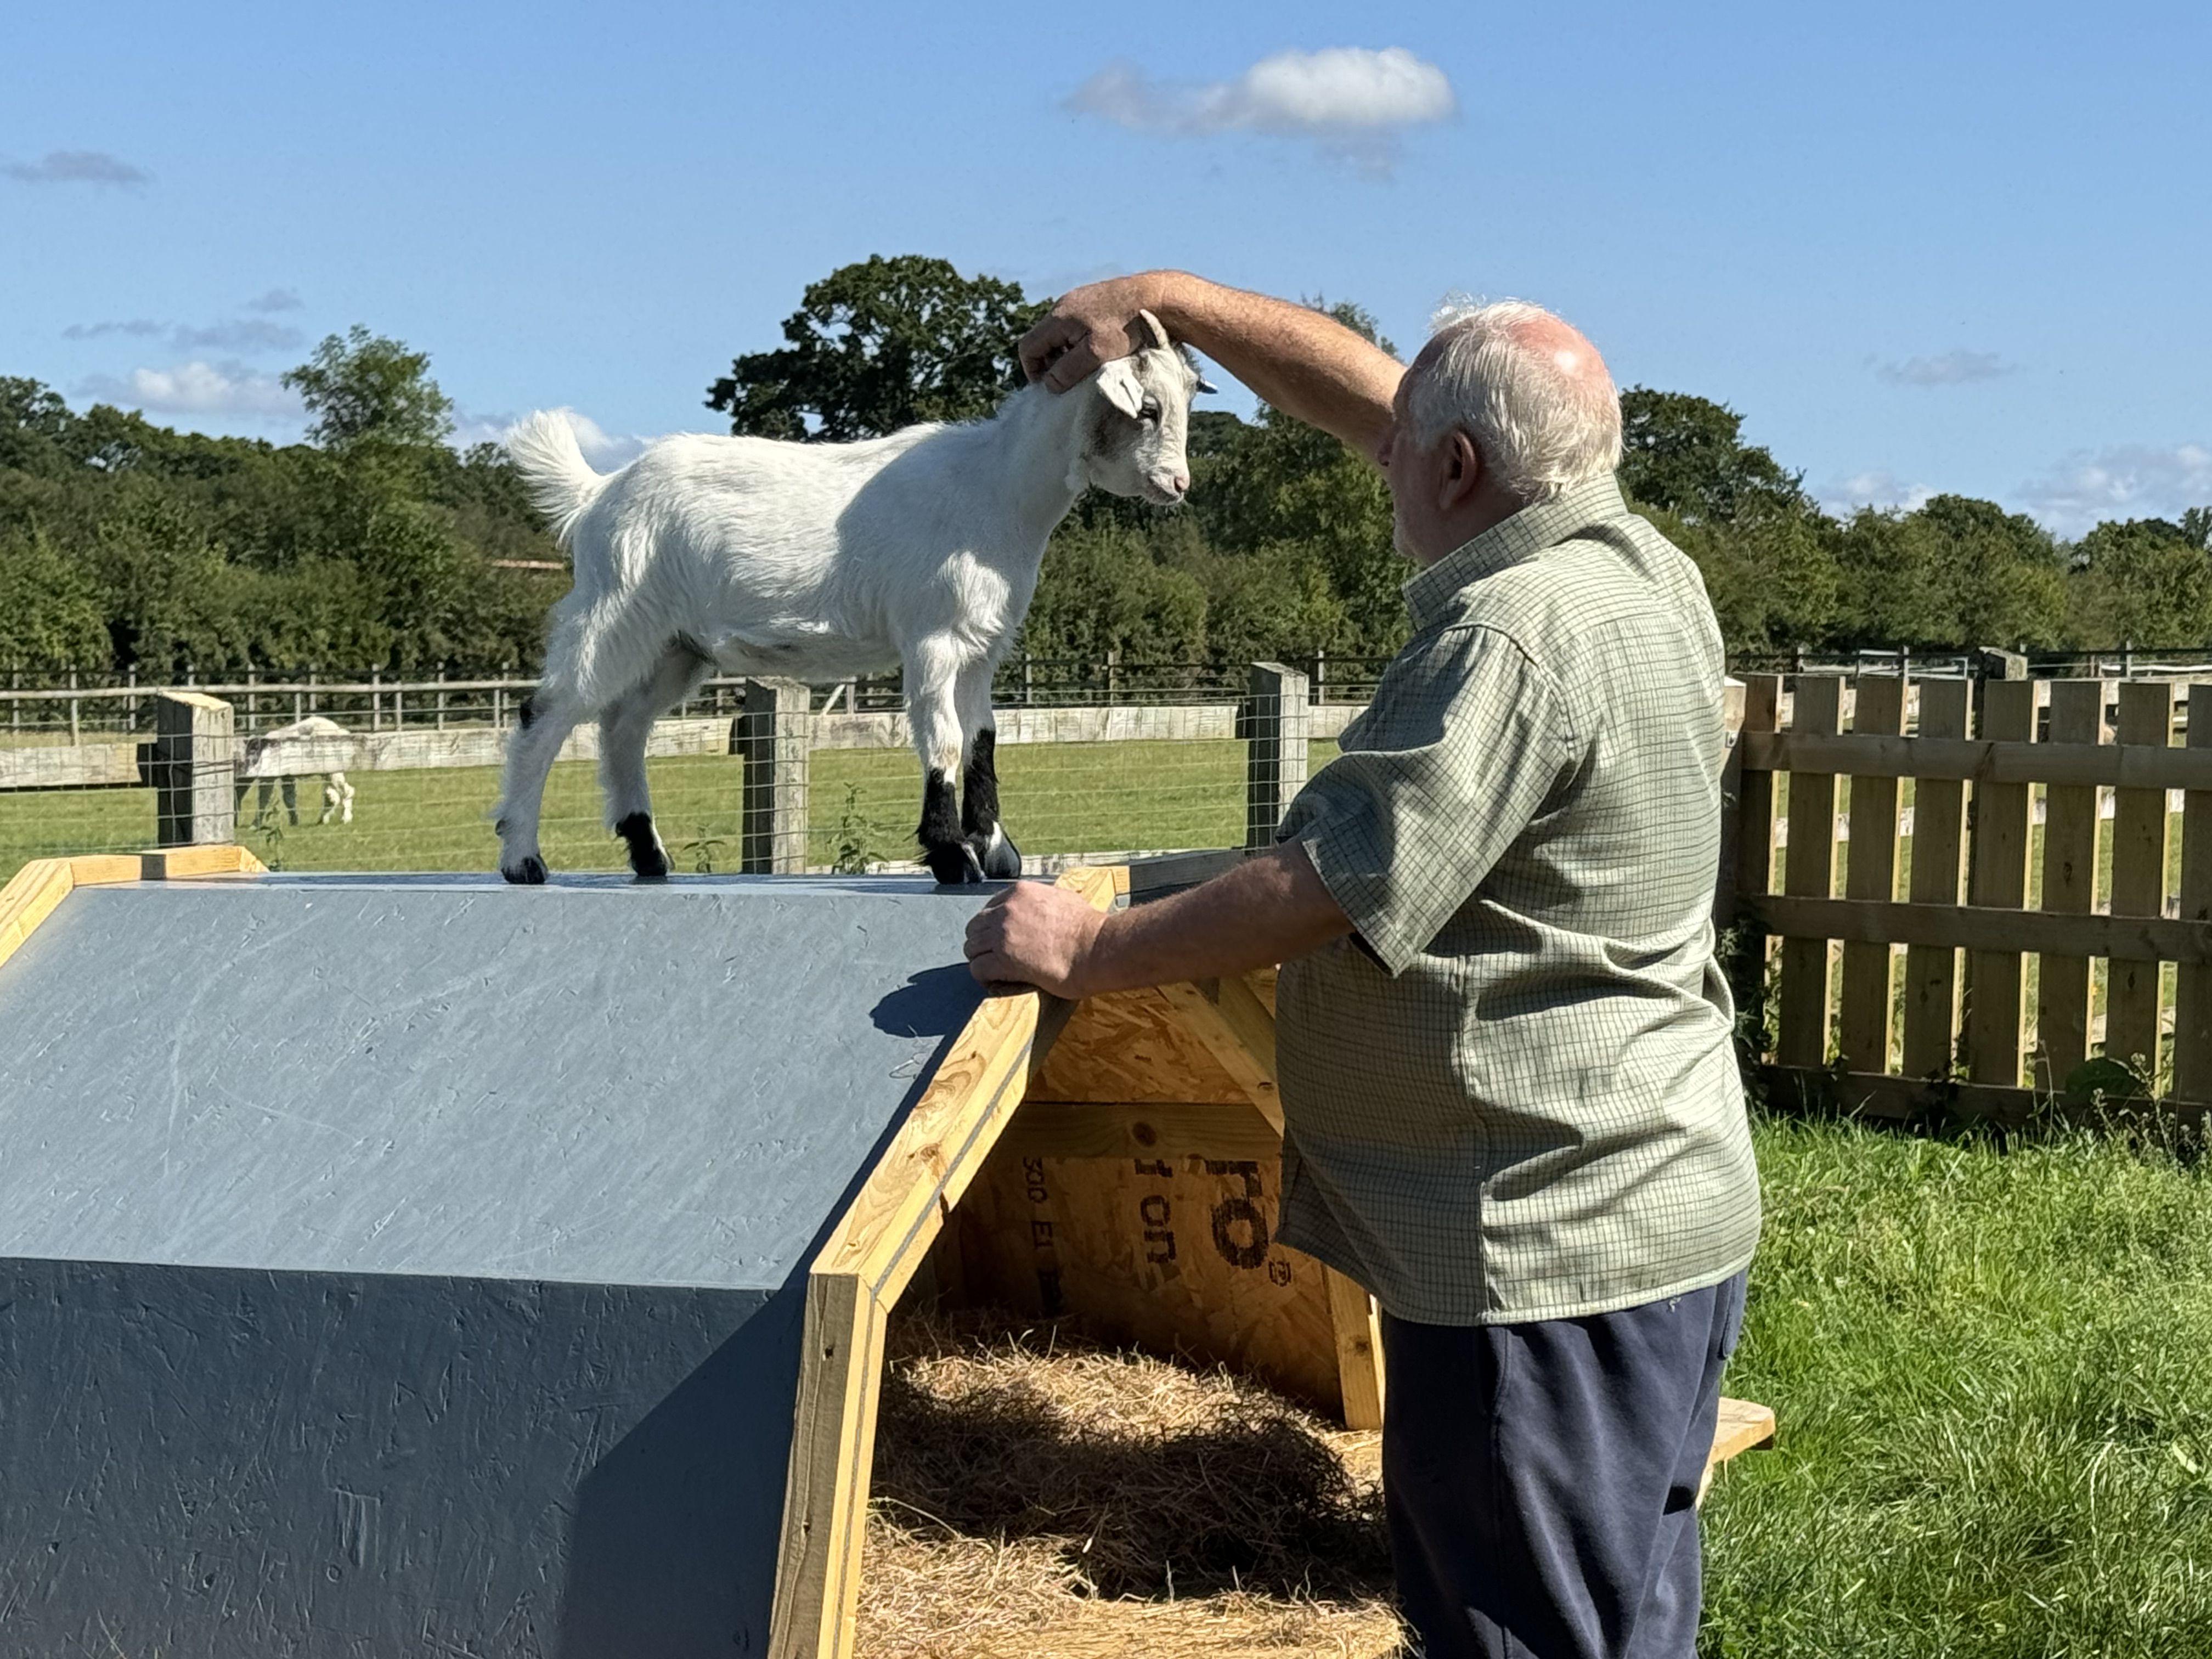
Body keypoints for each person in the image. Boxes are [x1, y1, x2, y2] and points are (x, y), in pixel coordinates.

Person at [963, 270, 1762, 1659]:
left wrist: (1089, 946)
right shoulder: (1638, 571)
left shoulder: (1510, 637)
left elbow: (1328, 879)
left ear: (1458, 466)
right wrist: (1172, 306)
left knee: (1516, 1631)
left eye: (1403, 449)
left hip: (1532, 1251)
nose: (1377, 460)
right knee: (1625, 1618)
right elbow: (1387, 402)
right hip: (1653, 1210)